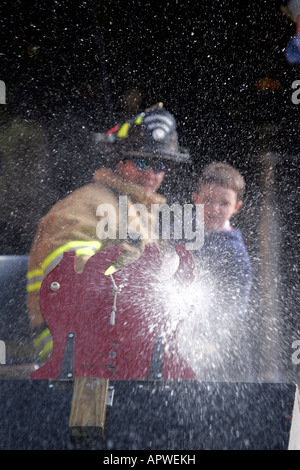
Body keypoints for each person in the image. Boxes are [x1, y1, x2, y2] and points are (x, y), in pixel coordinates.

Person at [26, 103, 191, 362]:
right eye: (141, 161)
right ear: (119, 161)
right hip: (75, 352)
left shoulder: (143, 215)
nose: (150, 174)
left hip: (122, 349)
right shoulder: (86, 205)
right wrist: (129, 277)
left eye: (159, 165)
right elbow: (64, 278)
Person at [178, 162, 253, 381]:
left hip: (217, 346)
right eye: (208, 200)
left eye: (224, 203)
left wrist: (206, 326)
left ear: (236, 207)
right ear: (195, 198)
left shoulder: (235, 252)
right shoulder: (179, 233)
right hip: (180, 336)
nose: (214, 209)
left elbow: (235, 308)